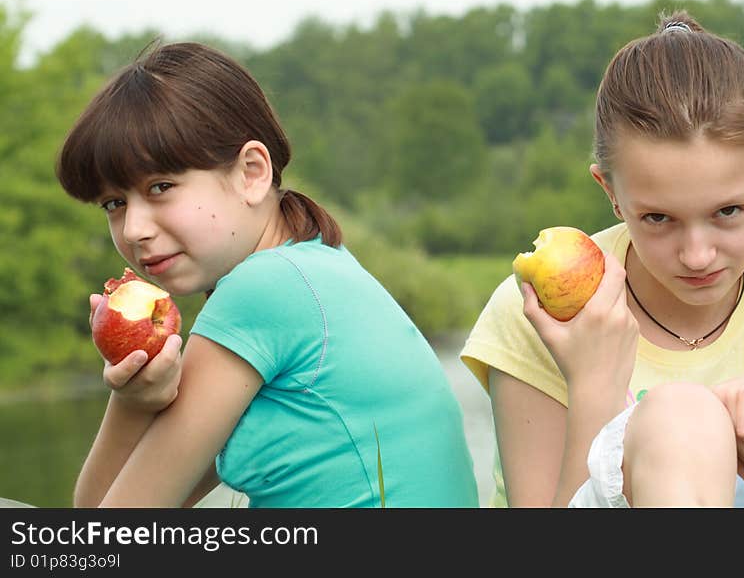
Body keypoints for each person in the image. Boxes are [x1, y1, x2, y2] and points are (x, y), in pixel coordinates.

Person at [460, 11, 744, 508]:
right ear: (611, 193)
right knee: (680, 414)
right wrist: (594, 384)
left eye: (728, 211)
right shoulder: (547, 311)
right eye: (658, 219)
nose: (697, 255)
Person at [56, 41, 479, 508]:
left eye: (160, 187)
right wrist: (135, 397)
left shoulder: (263, 291)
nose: (134, 229)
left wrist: (130, 404)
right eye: (114, 204)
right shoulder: (316, 265)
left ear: (252, 173)